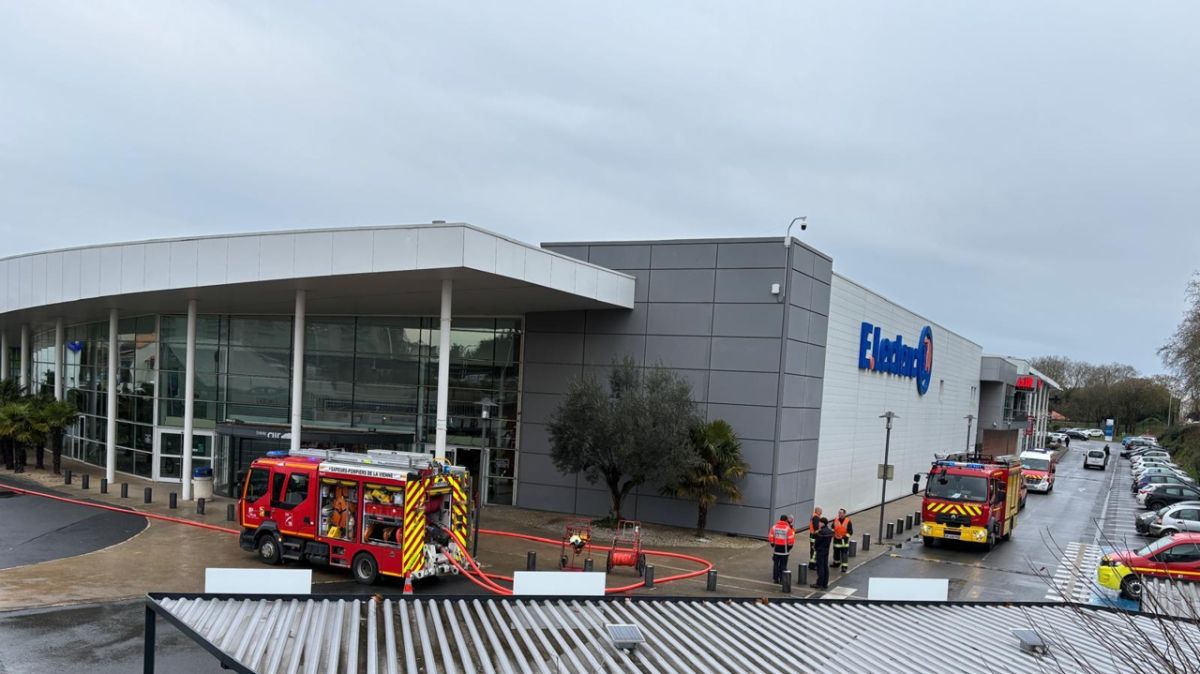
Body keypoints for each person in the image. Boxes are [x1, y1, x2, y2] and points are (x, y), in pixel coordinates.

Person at [767, 514, 796, 583]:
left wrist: (773, 544)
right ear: (786, 520)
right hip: (784, 551)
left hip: (776, 550)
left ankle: (775, 579)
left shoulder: (774, 527)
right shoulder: (788, 528)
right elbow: (791, 540)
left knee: (776, 565)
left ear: (780, 519)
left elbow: (770, 537)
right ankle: (782, 579)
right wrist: (789, 547)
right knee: (783, 565)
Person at [810, 517, 834, 590]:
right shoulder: (830, 531)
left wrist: (815, 547)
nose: (818, 524)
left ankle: (819, 583)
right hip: (826, 551)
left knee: (820, 568)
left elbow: (817, 541)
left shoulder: (821, 532)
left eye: (820, 522)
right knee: (825, 567)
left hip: (820, 551)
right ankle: (825, 583)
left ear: (823, 523)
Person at [832, 508, 854, 572]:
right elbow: (832, 528)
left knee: (844, 554)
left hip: (844, 541)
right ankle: (836, 563)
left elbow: (850, 532)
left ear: (844, 514)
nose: (840, 514)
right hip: (836, 540)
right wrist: (834, 534)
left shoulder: (848, 521)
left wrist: (843, 537)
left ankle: (844, 567)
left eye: (841, 513)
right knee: (836, 553)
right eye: (839, 513)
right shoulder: (835, 520)